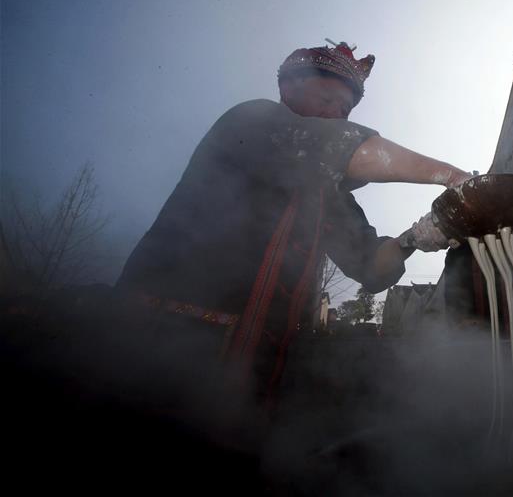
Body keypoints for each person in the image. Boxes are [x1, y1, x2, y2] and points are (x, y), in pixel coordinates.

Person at [116, 41, 470, 412]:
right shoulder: (251, 121)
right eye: (326, 98)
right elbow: (345, 146)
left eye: (345, 108)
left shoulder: (329, 193)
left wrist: (417, 236)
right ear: (289, 88)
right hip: (161, 341)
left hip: (261, 371)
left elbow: (371, 266)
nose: (336, 113)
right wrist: (454, 177)